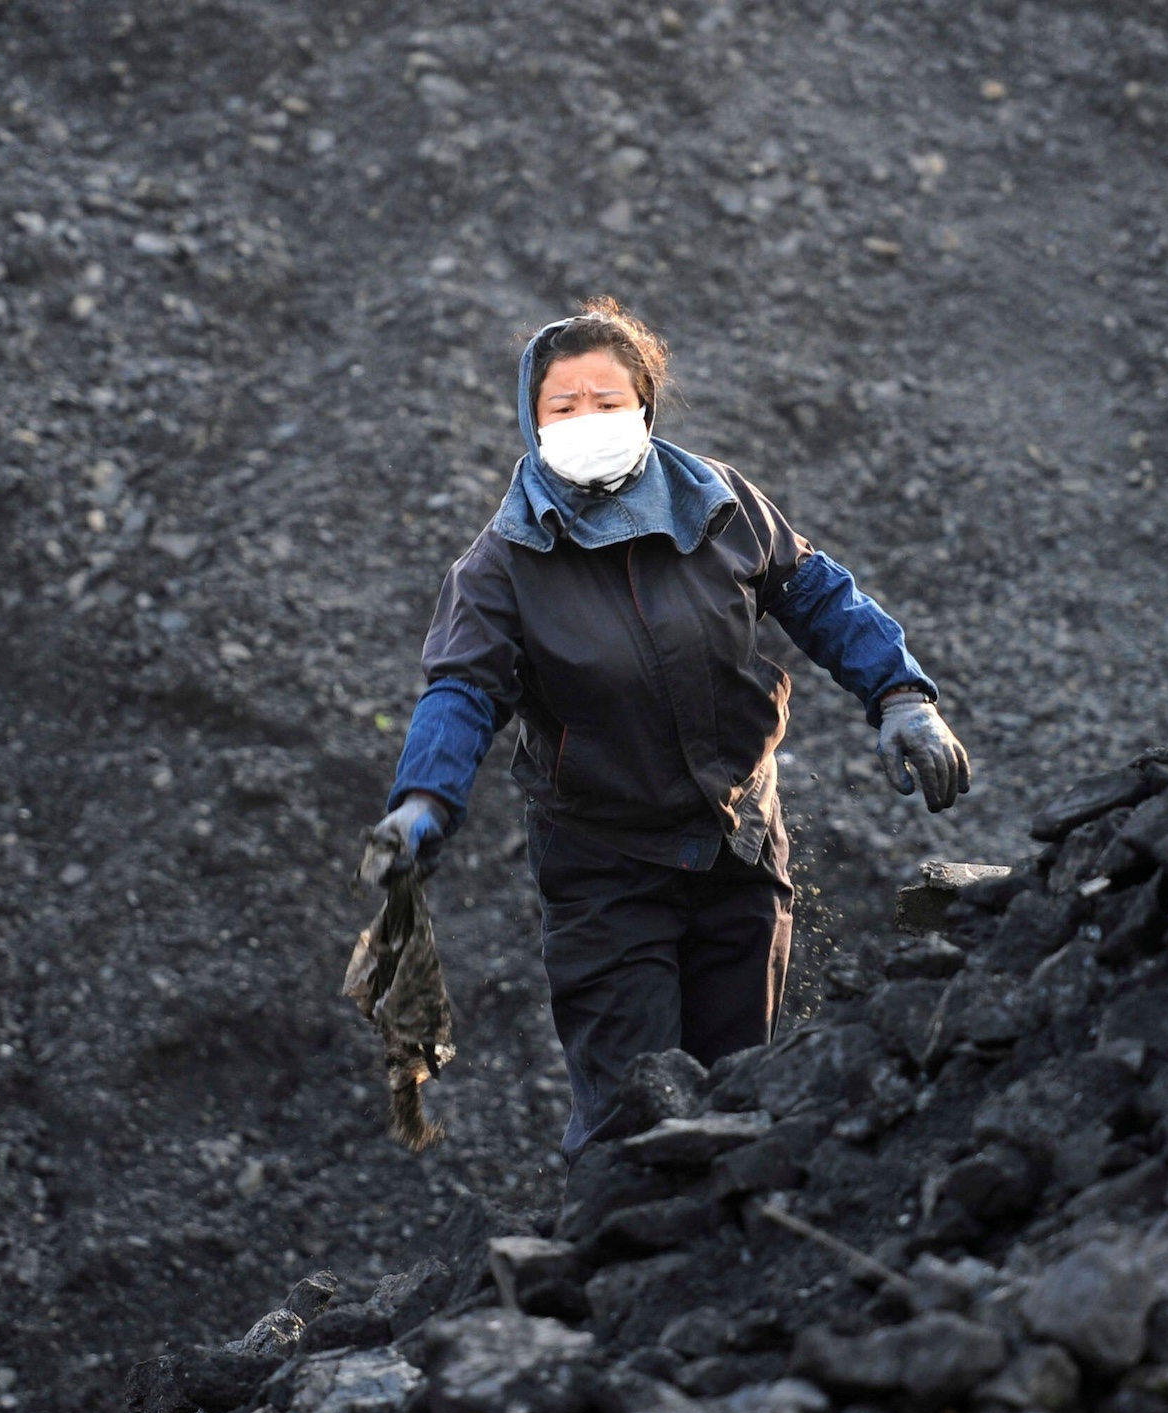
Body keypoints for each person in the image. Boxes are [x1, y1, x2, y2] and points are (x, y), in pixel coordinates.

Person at [365, 299, 970, 1156]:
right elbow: (463, 689)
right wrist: (424, 800)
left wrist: (901, 696)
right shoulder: (502, 563)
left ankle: (724, 1271)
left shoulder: (721, 503)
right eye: (562, 407)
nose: (588, 421)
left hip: (741, 848)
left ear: (644, 404)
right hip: (608, 871)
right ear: (531, 422)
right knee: (633, 1117)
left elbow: (815, 592)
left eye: (607, 403)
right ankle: (608, 1271)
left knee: (735, 1095)